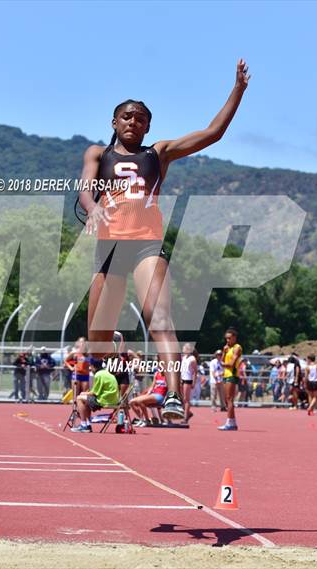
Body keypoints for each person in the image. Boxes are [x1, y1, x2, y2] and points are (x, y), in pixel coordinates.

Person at [77, 60, 251, 420]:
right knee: (97, 337)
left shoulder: (158, 153)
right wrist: (93, 207)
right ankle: (109, 390)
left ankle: (172, 396)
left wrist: (237, 91)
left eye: (140, 118)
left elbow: (212, 132)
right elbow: (84, 189)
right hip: (109, 249)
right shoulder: (98, 152)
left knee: (160, 320)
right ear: (114, 122)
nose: (132, 122)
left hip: (146, 245)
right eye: (126, 116)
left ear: (148, 126)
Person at [71, 358, 119, 433]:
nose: (90, 368)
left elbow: (95, 393)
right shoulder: (106, 373)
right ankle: (87, 424)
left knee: (79, 398)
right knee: (85, 400)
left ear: (94, 367)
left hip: (105, 400)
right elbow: (96, 391)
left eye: (90, 366)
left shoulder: (98, 375)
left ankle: (84, 425)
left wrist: (83, 393)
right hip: (112, 399)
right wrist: (87, 393)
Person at [218, 327, 242, 431]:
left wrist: (224, 364)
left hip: (232, 374)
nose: (227, 340)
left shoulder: (237, 347)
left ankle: (229, 422)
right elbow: (221, 361)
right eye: (226, 338)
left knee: (229, 399)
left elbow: (231, 364)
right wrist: (224, 352)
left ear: (234, 338)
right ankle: (233, 422)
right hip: (226, 375)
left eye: (229, 338)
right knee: (227, 400)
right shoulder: (227, 348)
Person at [180, 343, 197, 423]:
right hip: (183, 379)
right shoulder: (184, 358)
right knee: (182, 399)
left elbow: (194, 372)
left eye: (184, 347)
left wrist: (193, 382)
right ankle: (188, 413)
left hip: (188, 380)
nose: (183, 349)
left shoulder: (192, 358)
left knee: (186, 399)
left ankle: (185, 417)